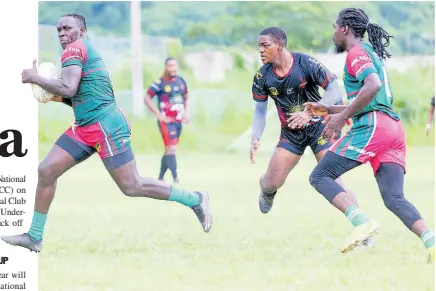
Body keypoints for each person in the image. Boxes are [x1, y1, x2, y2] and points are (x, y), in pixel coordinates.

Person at [1, 13, 212, 253]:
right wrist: (54, 95)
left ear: (81, 30)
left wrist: (34, 77)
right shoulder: (82, 52)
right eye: (58, 29)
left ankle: (195, 199)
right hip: (85, 126)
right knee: (46, 170)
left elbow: (69, 87)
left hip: (106, 126)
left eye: (67, 28)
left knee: (132, 186)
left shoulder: (74, 50)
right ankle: (34, 237)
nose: (61, 33)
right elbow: (78, 97)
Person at [306, 8, 434, 262]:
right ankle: (432, 243)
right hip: (392, 128)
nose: (333, 32)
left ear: (344, 29)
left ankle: (361, 223)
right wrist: (330, 109)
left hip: (374, 127)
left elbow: (372, 87)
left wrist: (340, 118)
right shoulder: (371, 53)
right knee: (394, 198)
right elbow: (369, 98)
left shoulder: (356, 52)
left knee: (320, 175)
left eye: (334, 26)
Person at [250, 27, 361, 225]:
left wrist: (310, 112)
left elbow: (334, 89)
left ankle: (362, 224)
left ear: (280, 45)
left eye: (265, 46)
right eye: (259, 46)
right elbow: (260, 110)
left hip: (321, 129)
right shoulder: (262, 77)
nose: (260, 50)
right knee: (270, 183)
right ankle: (266, 190)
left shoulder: (305, 63)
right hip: (291, 134)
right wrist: (255, 136)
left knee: (334, 181)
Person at [144, 57, 189, 184]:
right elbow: (147, 98)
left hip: (178, 120)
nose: (173, 68)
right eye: (170, 66)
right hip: (166, 121)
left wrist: (186, 114)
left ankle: (160, 177)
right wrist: (158, 114)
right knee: (172, 148)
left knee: (169, 149)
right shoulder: (159, 83)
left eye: (175, 65)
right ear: (165, 67)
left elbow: (186, 96)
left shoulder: (181, 81)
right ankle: (176, 179)